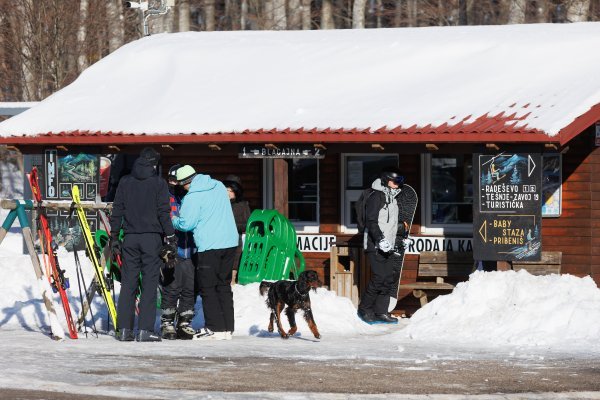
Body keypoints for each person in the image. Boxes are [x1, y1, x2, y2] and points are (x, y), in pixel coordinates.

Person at [109, 147, 177, 342]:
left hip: (129, 237)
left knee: (128, 283)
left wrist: (114, 236)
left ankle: (124, 330)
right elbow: (164, 212)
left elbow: (118, 210)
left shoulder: (125, 181)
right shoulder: (158, 183)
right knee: (149, 284)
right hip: (151, 238)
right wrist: (171, 236)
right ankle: (145, 330)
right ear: (154, 163)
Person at [171, 169, 239, 340]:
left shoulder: (193, 197)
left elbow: (186, 224)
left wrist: (172, 219)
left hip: (210, 245)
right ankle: (227, 328)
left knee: (208, 287)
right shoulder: (217, 185)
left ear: (185, 183)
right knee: (223, 285)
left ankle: (214, 328)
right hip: (230, 242)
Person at [357, 167, 408, 324]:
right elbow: (371, 221)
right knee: (379, 278)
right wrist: (380, 240)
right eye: (395, 181)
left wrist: (401, 239)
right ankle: (364, 309)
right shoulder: (376, 196)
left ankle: (381, 312)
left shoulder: (392, 198)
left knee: (388, 279)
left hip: (389, 244)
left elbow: (391, 224)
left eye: (400, 181)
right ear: (386, 180)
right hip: (375, 244)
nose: (398, 184)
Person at [160, 165, 198, 340]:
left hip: (191, 248)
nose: (174, 183)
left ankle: (185, 322)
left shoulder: (191, 197)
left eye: (177, 180)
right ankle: (167, 322)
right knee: (172, 287)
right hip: (172, 248)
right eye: (171, 180)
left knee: (189, 287)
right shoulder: (165, 198)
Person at [222, 175, 251, 285]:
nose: (228, 193)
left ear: (236, 191)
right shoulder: (218, 204)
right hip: (218, 242)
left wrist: (232, 225)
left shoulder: (243, 205)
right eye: (226, 189)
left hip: (234, 242)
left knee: (231, 281)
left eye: (231, 190)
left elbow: (248, 225)